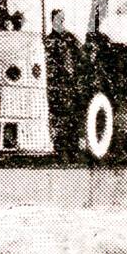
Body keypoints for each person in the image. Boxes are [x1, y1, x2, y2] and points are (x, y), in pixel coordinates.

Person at [44, 9, 85, 155]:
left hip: (68, 85)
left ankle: (72, 146)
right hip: (53, 85)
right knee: (56, 116)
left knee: (70, 117)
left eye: (61, 19)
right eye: (57, 19)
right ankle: (59, 146)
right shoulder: (47, 40)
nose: (60, 22)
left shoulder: (70, 39)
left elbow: (82, 56)